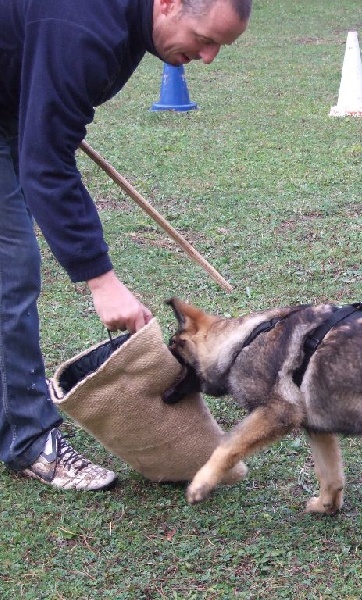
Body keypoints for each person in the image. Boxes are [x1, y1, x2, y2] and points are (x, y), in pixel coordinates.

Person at [0, 0, 251, 490]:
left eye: (219, 47)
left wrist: (49, 121)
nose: (208, 58)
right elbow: (45, 162)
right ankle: (30, 442)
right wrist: (102, 280)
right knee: (13, 267)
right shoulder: (82, 26)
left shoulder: (128, 24)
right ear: (169, 4)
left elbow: (50, 118)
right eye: (205, 39)